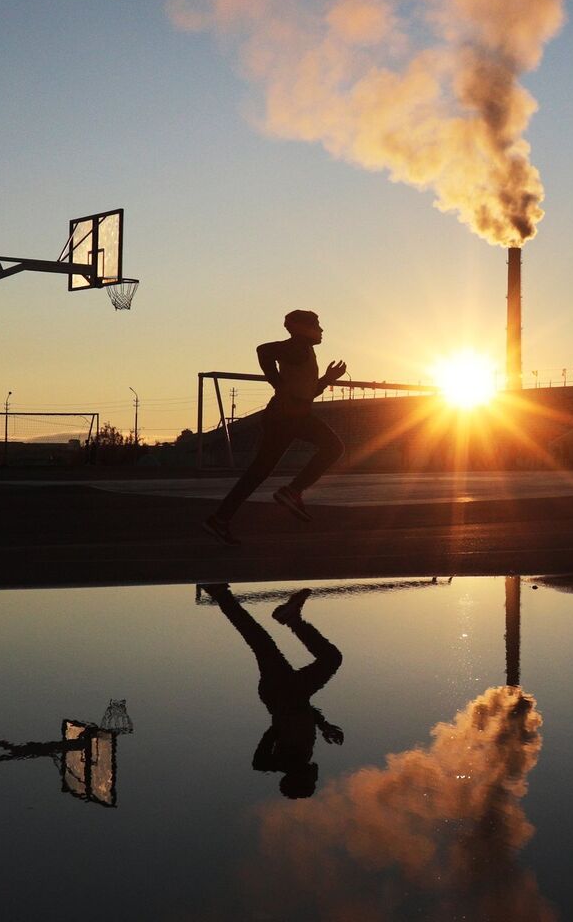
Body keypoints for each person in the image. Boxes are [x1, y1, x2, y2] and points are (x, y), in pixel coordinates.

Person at [204, 309, 347, 544]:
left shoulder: (304, 352)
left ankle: (219, 519)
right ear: (302, 328)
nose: (321, 330)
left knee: (259, 471)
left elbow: (307, 393)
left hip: (287, 415)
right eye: (317, 325)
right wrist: (277, 384)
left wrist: (329, 378)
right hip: (288, 416)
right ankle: (292, 491)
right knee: (334, 447)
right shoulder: (297, 348)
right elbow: (263, 350)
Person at [201, 585, 344, 799]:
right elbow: (299, 716)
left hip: (282, 694)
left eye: (311, 782)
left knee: (263, 641)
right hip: (291, 695)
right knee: (261, 641)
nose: (315, 778)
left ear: (299, 779)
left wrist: (277, 728)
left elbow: (259, 763)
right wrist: (323, 724)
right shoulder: (300, 757)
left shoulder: (290, 762)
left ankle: (288, 618)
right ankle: (288, 617)